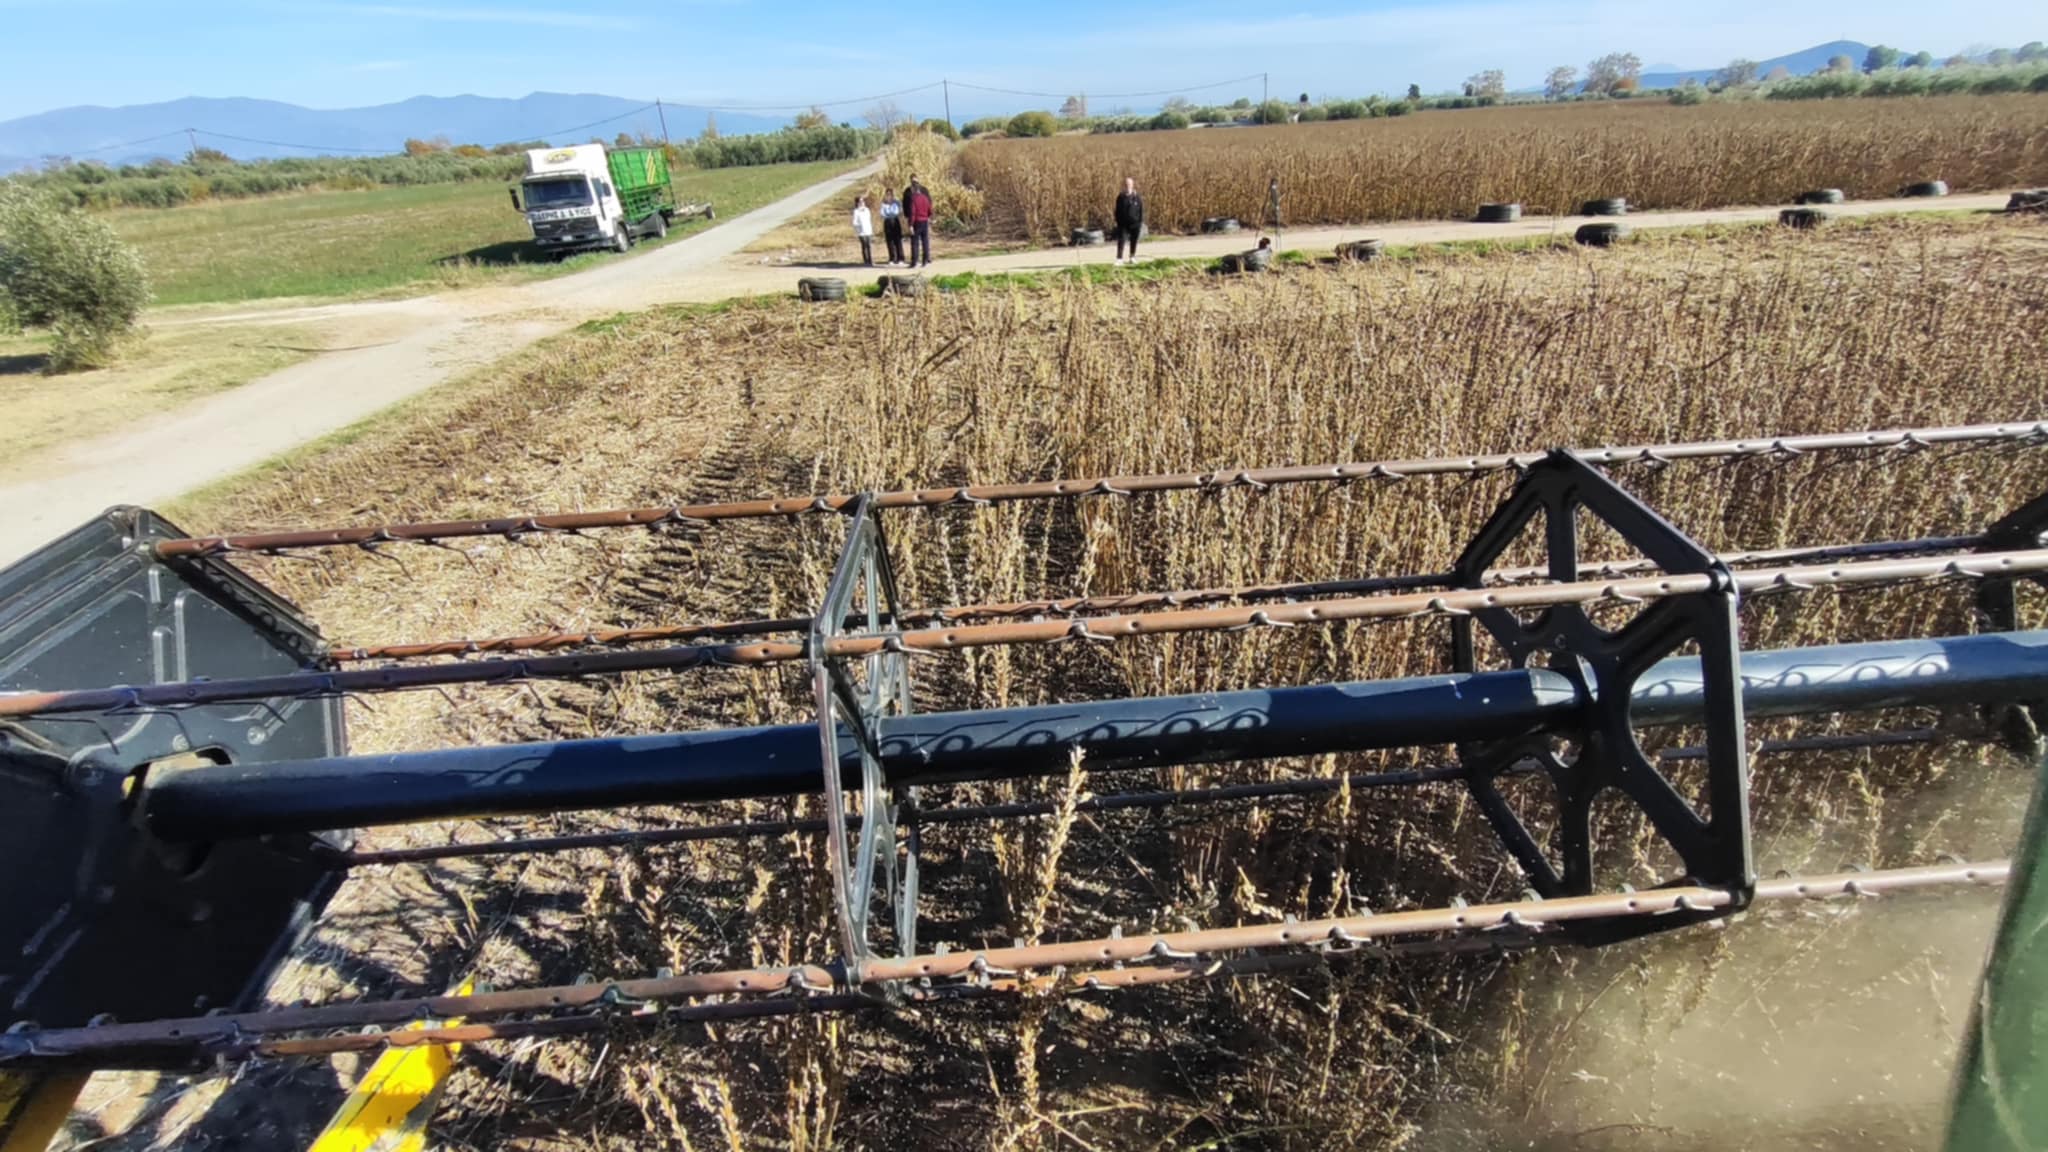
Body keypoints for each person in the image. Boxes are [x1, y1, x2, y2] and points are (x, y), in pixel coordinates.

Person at [904, 177, 934, 268]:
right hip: (924, 221)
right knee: (925, 241)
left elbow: (913, 212)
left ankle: (914, 261)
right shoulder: (925, 198)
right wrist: (928, 217)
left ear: (913, 189)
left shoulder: (914, 199)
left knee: (915, 242)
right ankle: (925, 260)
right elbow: (930, 210)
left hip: (917, 221)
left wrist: (911, 225)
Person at [1113, 177, 1144, 264]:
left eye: (1129, 184)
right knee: (1121, 240)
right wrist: (1118, 221)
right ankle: (1119, 259)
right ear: (1124, 186)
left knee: (1134, 240)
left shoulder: (1137, 197)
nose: (1128, 186)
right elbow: (1117, 210)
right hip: (1123, 224)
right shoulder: (1120, 197)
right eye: (1126, 184)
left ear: (1132, 185)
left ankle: (1132, 257)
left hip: (1135, 223)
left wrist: (1140, 222)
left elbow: (1141, 210)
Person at [880, 190, 905, 266]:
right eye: (887, 194)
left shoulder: (896, 203)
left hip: (895, 221)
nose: (889, 196)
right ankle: (892, 258)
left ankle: (900, 258)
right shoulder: (883, 204)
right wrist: (888, 214)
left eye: (890, 195)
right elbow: (882, 213)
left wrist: (890, 212)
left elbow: (898, 211)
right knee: (889, 241)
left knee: (898, 240)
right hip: (887, 222)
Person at [851, 195, 874, 266]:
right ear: (857, 203)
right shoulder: (856, 211)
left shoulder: (867, 210)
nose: (862, 203)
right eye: (860, 201)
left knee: (869, 245)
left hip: (868, 230)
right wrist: (859, 227)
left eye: (863, 201)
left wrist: (870, 228)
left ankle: (870, 260)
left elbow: (869, 219)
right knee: (864, 245)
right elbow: (854, 222)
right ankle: (866, 260)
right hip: (861, 231)